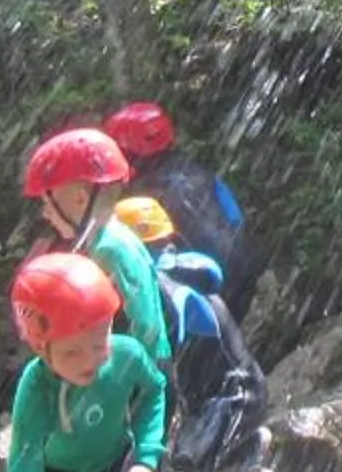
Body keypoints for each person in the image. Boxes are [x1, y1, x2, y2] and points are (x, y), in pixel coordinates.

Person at [4, 251, 169, 472]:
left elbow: (154, 391)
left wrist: (146, 460)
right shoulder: (36, 391)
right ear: (40, 346)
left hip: (115, 470)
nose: (90, 361)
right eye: (72, 351)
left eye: (98, 344)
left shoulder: (126, 356)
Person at [113, 195, 272, 472]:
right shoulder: (169, 276)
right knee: (172, 467)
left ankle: (248, 448)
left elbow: (159, 363)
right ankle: (234, 450)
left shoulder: (166, 288)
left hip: (235, 399)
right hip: (207, 400)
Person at [23, 127, 173, 373]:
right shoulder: (95, 245)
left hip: (146, 376)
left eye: (48, 202)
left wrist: (129, 383)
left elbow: (146, 324)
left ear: (80, 199)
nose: (45, 213)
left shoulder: (112, 248)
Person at [105, 100, 262, 319]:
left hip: (200, 293)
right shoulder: (203, 175)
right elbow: (235, 219)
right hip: (244, 273)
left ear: (128, 151)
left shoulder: (142, 199)